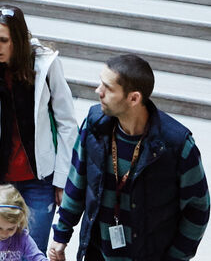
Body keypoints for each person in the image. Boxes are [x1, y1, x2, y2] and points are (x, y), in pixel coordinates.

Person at [49, 53, 210, 261]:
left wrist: (176, 257)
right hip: (97, 252)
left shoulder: (176, 145)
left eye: (108, 88)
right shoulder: (94, 125)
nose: (98, 91)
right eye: (101, 83)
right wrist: (62, 234)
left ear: (134, 98)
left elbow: (197, 208)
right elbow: (76, 181)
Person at [0, 5, 76, 254]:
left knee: (35, 252)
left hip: (39, 180)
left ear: (19, 39)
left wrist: (62, 180)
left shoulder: (46, 65)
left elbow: (67, 123)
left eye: (3, 40)